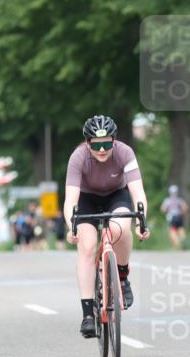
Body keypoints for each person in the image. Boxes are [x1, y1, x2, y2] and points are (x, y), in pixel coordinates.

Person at [63, 115, 149, 339]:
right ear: (87, 144)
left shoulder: (125, 152)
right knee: (88, 246)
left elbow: (138, 192)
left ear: (114, 141)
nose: (102, 150)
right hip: (86, 199)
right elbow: (71, 200)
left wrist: (141, 221)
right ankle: (87, 315)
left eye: (106, 144)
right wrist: (71, 227)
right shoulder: (78, 157)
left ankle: (122, 276)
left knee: (121, 228)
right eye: (96, 145)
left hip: (116, 195)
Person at [160, 185, 188, 250]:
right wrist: (182, 213)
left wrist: (167, 211)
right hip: (179, 216)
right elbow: (185, 207)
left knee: (172, 231)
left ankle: (177, 245)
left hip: (172, 217)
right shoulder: (179, 200)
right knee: (181, 229)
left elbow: (163, 209)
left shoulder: (167, 200)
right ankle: (183, 240)